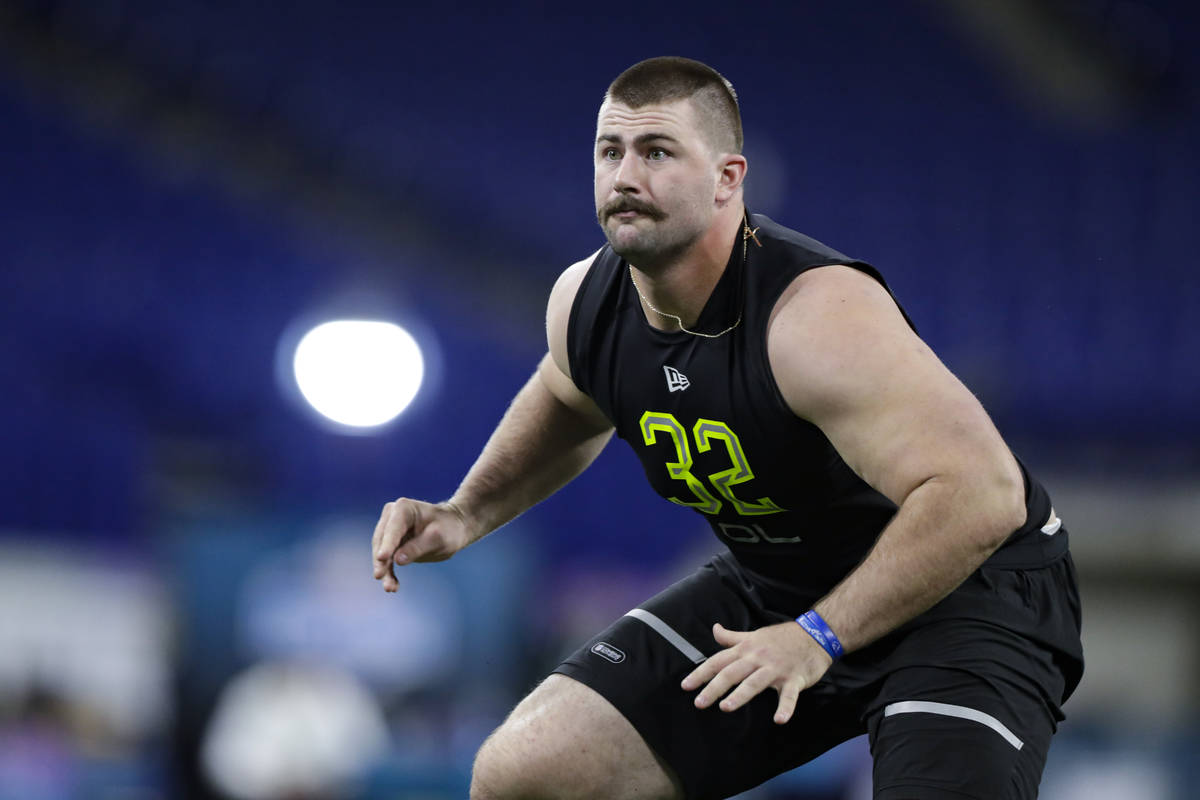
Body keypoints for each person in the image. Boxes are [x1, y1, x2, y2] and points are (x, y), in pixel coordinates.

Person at [371, 56, 1083, 800]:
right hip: (780, 585)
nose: (625, 176)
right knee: (527, 775)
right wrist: (464, 513)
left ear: (727, 178)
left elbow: (984, 495)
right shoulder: (585, 302)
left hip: (965, 593)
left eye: (657, 152)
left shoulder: (812, 318)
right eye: (609, 151)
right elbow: (568, 395)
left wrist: (819, 636)